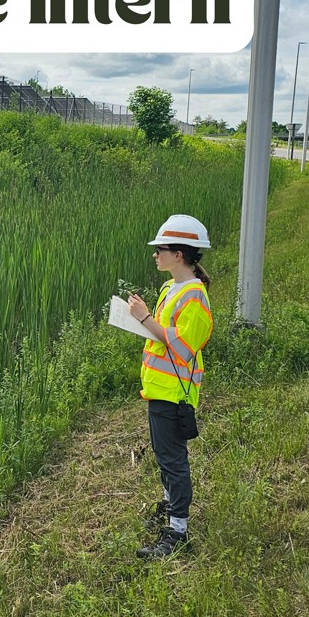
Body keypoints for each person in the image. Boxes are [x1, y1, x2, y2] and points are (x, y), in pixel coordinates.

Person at [127, 214, 213, 559]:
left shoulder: (194, 297)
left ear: (179, 254)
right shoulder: (171, 288)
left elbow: (182, 346)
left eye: (160, 249)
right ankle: (168, 505)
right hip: (159, 390)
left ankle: (178, 531)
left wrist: (144, 318)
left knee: (174, 461)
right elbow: (162, 336)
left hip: (175, 394)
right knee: (165, 458)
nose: (155, 255)